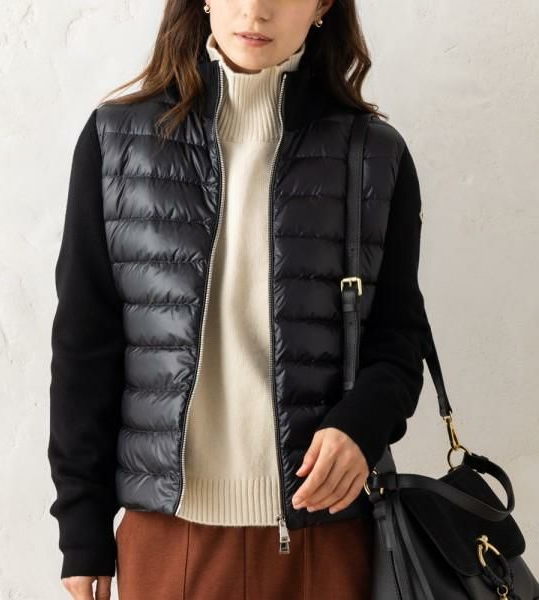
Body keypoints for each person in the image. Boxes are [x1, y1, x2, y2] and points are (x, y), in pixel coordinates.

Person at [48, 0, 433, 598]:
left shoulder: (375, 155)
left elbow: (399, 340)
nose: (256, 11)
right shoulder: (116, 143)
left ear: (322, 6)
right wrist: (82, 528)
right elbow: (84, 345)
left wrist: (362, 426)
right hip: (168, 534)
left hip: (325, 534)